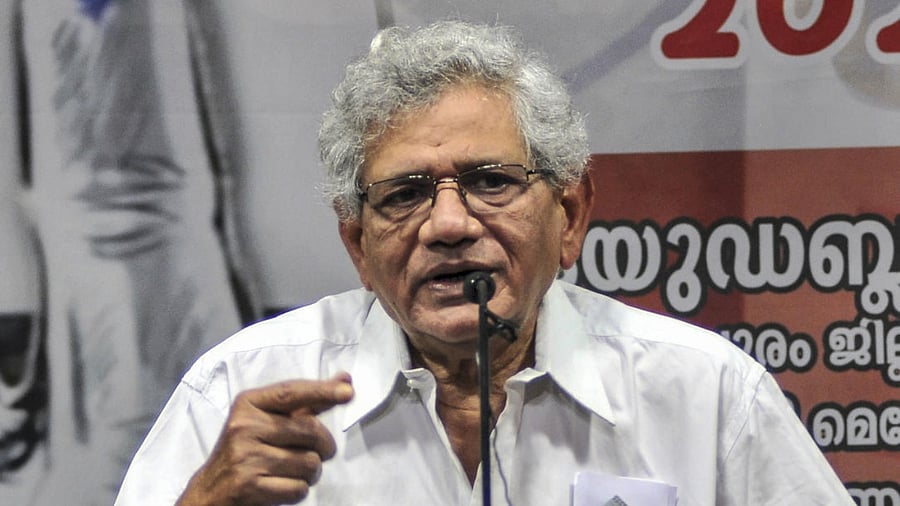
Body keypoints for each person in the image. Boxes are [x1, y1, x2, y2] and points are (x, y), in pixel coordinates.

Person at [115, 20, 853, 505]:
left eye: (491, 182)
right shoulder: (240, 392)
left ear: (571, 216)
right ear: (357, 248)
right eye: (403, 195)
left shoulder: (707, 396)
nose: (447, 224)